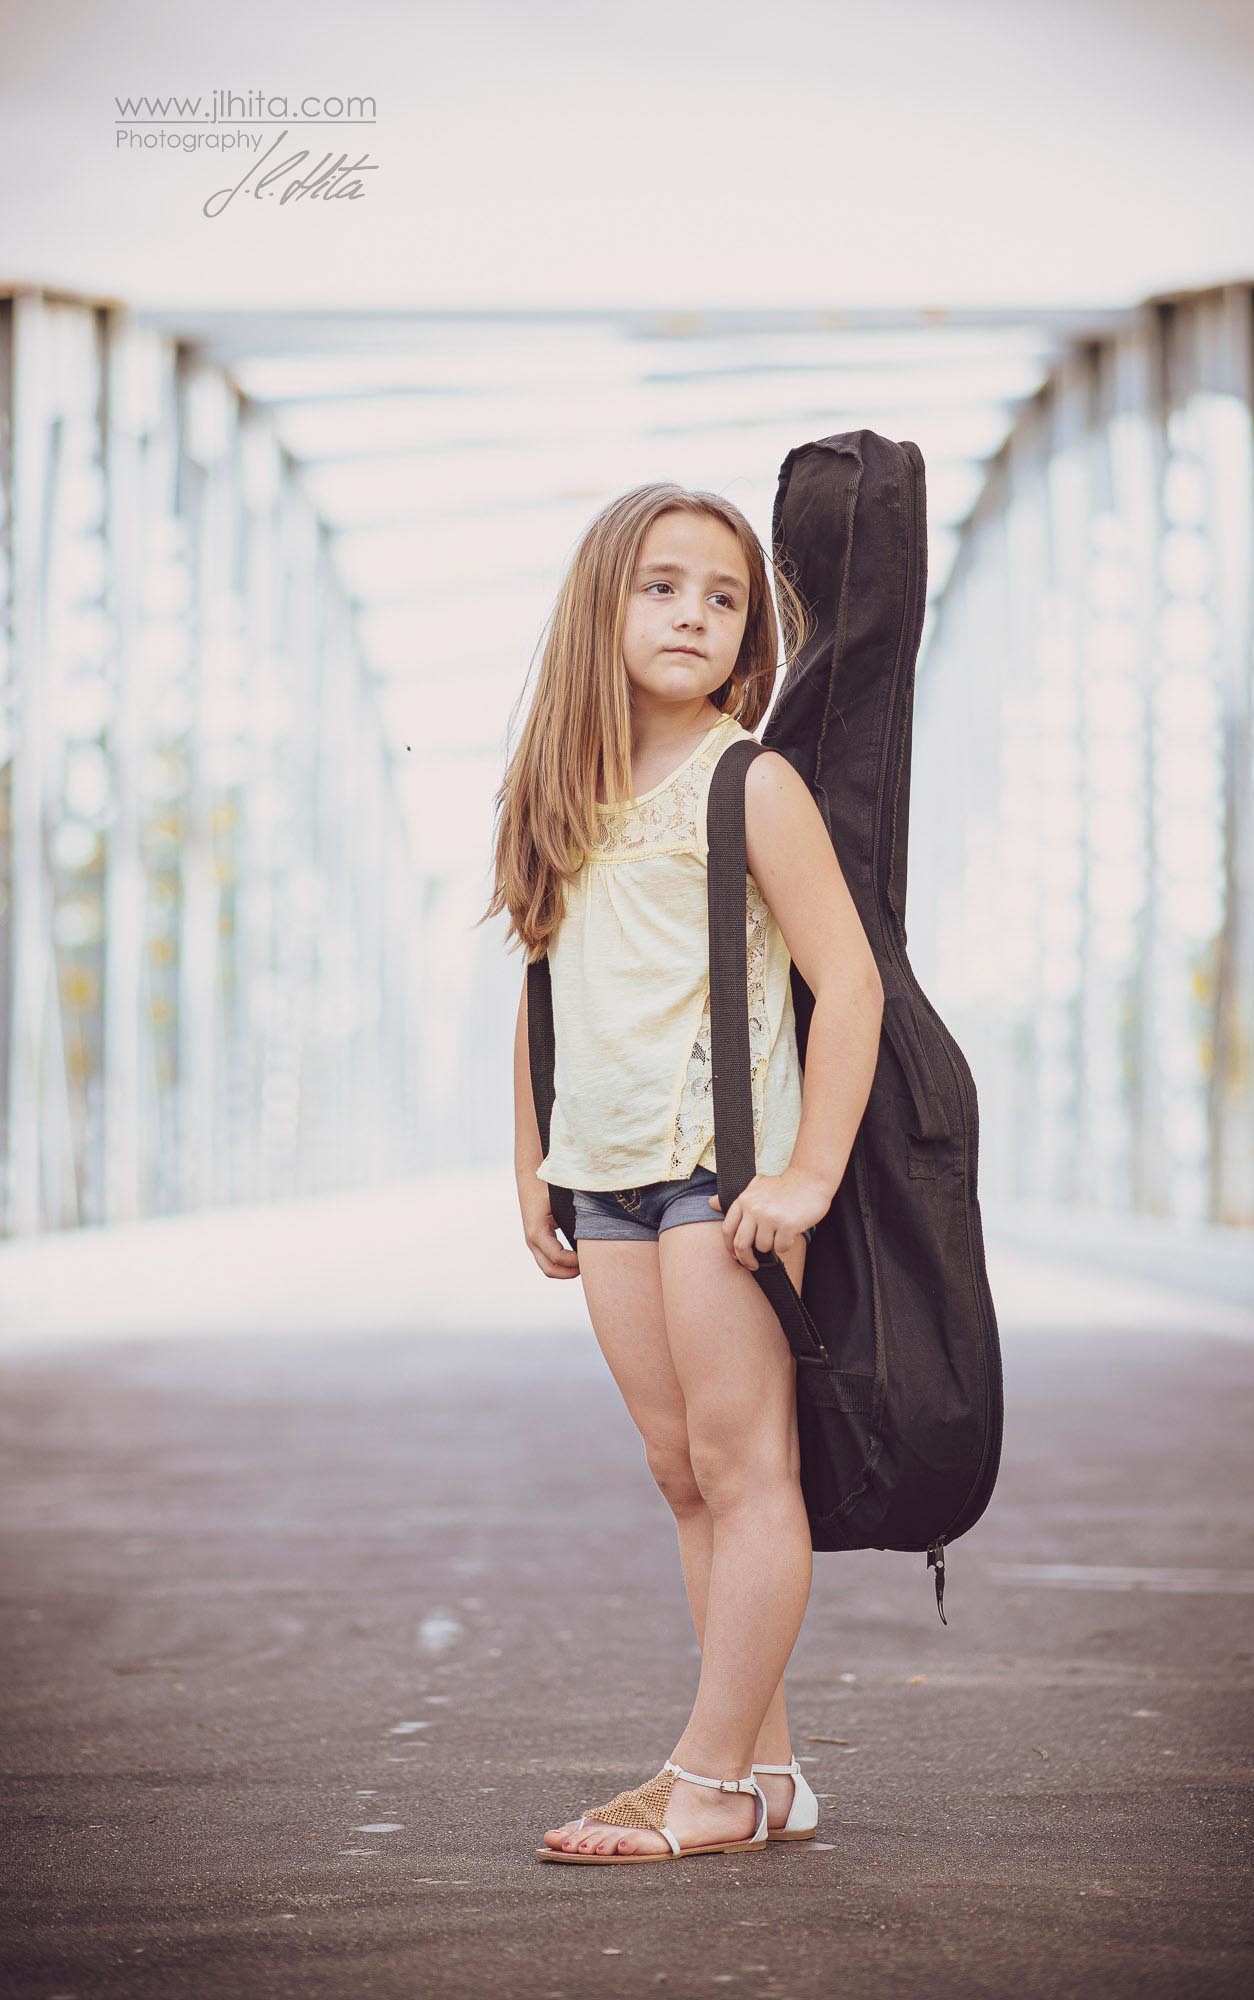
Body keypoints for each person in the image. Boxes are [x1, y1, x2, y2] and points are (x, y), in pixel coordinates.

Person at [483, 481, 881, 1862]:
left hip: (724, 1174)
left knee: (745, 1460)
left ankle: (706, 1780)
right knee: (680, 1471)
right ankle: (766, 1776)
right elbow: (541, 976)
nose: (694, 615)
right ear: (603, 604)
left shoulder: (746, 782)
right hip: (608, 1181)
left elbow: (850, 982)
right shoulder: (559, 791)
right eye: (662, 586)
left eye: (724, 598)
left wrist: (810, 1175)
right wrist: (533, 1161)